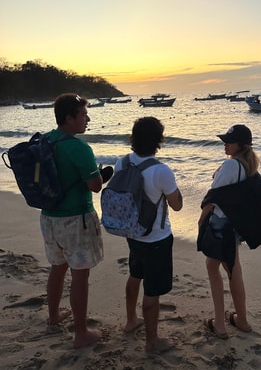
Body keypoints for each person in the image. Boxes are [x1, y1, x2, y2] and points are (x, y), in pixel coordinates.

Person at [40, 93, 112, 348]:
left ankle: (53, 318)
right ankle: (81, 333)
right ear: (69, 118)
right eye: (82, 115)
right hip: (76, 219)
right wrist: (102, 176)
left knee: (57, 268)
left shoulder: (46, 140)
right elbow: (94, 186)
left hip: (49, 217)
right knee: (80, 276)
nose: (87, 119)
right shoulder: (79, 148)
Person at [115, 116, 183, 354]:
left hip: (132, 232)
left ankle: (131, 320)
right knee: (152, 290)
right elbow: (177, 205)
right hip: (155, 237)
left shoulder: (122, 162)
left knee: (135, 273)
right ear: (158, 141)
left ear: (133, 138)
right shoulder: (160, 171)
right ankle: (152, 342)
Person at [198, 124, 260, 339]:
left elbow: (213, 197)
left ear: (241, 145)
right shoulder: (248, 165)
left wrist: (201, 220)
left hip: (221, 224)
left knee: (216, 268)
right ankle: (241, 320)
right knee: (233, 270)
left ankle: (220, 325)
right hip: (234, 226)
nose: (225, 143)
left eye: (229, 141)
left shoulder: (231, 166)